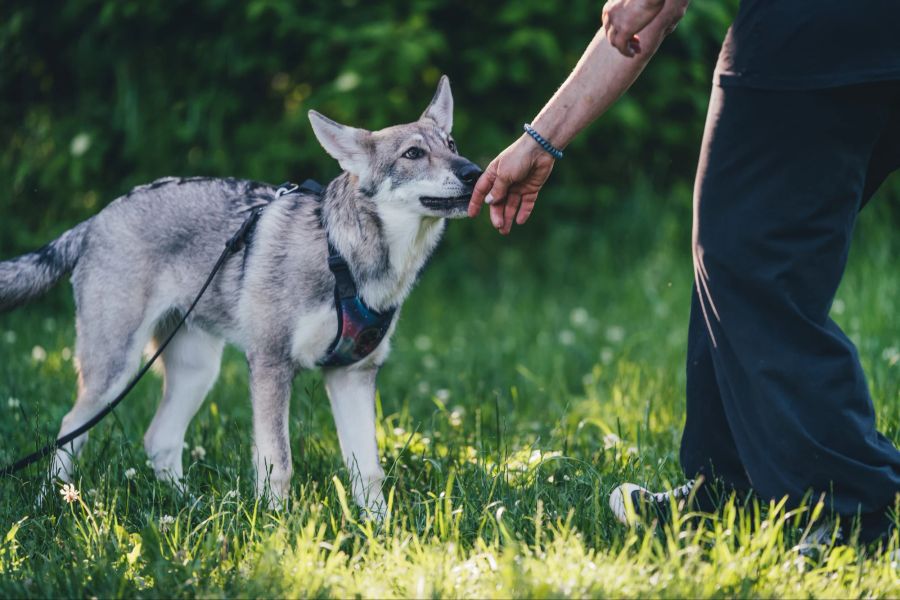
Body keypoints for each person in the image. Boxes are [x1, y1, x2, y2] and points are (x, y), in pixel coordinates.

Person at [468, 0, 900, 544]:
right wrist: (543, 138)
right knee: (737, 243)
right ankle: (732, 486)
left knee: (750, 259)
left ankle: (850, 504)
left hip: (812, 25)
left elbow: (657, 10)